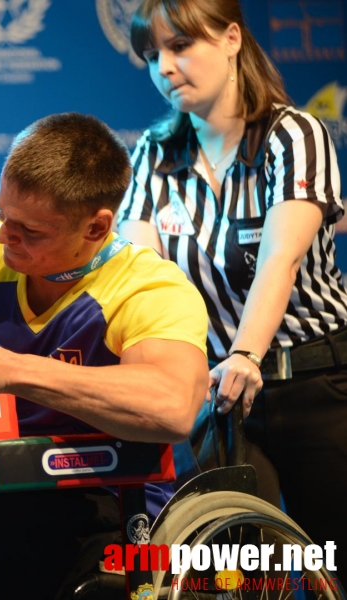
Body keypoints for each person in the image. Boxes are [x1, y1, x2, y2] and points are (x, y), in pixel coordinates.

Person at [0, 112, 210, 599]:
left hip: (116, 510)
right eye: (3, 215)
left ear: (96, 227)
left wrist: (15, 371)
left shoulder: (149, 287)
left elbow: (172, 407)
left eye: (30, 230)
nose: (4, 236)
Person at [116, 0, 346, 571]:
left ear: (231, 39)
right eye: (151, 55)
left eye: (179, 46)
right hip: (220, 401)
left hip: (318, 386)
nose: (163, 67)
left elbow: (280, 258)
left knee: (337, 562)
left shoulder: (294, 134)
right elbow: (140, 274)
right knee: (240, 573)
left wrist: (246, 351)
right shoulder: (154, 151)